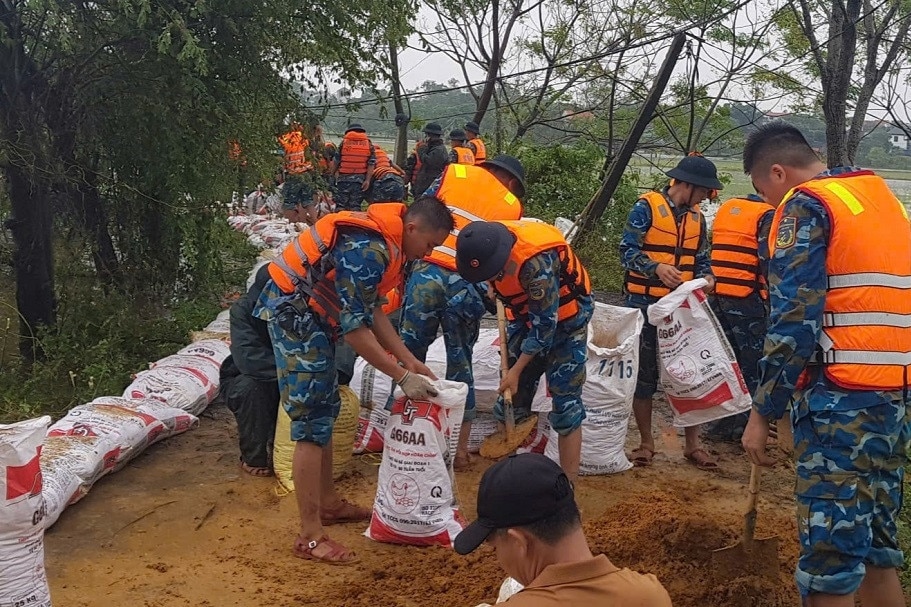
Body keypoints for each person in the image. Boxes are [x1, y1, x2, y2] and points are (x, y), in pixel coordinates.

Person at [740, 121, 911, 607]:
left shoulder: (805, 205)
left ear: (777, 172)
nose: (769, 207)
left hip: (840, 408)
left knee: (829, 565)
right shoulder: (880, 199)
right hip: (891, 400)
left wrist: (762, 414)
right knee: (876, 548)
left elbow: (794, 321)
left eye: (763, 193)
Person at [254, 197, 455, 564]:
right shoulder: (369, 248)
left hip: (314, 317)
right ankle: (310, 537)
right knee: (311, 422)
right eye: (428, 245)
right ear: (412, 228)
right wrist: (402, 376)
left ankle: (328, 504)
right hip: (294, 315)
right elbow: (356, 332)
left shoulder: (388, 246)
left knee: (326, 409)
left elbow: (373, 309)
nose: (427, 254)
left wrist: (409, 360)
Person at [399, 156, 526, 470]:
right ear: (510, 181)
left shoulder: (454, 173)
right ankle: (458, 452)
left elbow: (422, 211)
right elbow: (498, 253)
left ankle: (403, 436)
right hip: (466, 284)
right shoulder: (512, 206)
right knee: (461, 364)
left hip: (427, 271)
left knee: (409, 357)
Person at [456, 220, 592, 481]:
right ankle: (512, 476)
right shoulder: (485, 247)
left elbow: (544, 327)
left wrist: (516, 371)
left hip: (566, 321)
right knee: (507, 399)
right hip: (526, 317)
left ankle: (569, 485)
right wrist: (493, 285)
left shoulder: (535, 264)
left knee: (567, 403)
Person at [453, 453, 673, 606]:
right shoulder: (652, 595)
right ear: (576, 516)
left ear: (519, 542)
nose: (499, 559)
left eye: (495, 548)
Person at [619, 154, 721, 471]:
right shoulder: (646, 208)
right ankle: (646, 444)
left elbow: (702, 258)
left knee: (691, 373)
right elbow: (627, 251)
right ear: (687, 185)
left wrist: (709, 278)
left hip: (683, 308)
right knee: (644, 375)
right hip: (645, 304)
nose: (706, 197)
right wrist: (656, 268)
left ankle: (693, 445)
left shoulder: (697, 218)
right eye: (704, 190)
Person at [703, 193, 775, 442]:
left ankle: (721, 423)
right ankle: (744, 426)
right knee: (751, 365)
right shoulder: (766, 214)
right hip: (747, 301)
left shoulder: (727, 208)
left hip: (718, 296)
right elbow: (769, 261)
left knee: (725, 361)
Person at [220, 264, 280, 477]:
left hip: (293, 373)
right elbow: (249, 359)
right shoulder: (243, 310)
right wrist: (294, 372)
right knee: (251, 388)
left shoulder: (301, 307)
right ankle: (254, 456)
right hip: (255, 376)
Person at [332, 124, 376, 211]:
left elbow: (336, 160)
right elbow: (371, 164)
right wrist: (367, 180)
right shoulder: (369, 144)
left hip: (343, 179)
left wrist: (332, 174)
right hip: (359, 180)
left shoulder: (344, 143)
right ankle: (353, 223)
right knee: (355, 206)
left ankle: (339, 222)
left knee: (341, 205)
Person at [411, 123, 449, 197]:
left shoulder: (439, 150)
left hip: (429, 185)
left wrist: (421, 149)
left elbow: (428, 161)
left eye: (427, 135)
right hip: (424, 184)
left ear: (431, 136)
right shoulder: (432, 148)